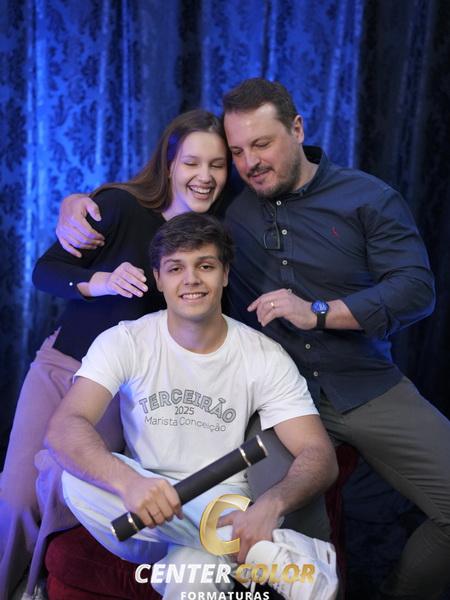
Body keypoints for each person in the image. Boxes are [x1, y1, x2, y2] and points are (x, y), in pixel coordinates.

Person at [57, 78, 450, 600]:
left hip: (362, 384)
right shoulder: (231, 211)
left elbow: (416, 290)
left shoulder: (368, 198)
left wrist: (320, 312)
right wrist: (79, 203)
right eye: (238, 152)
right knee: (281, 515)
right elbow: (173, 212)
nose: (250, 163)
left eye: (261, 145)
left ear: (297, 129)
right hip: (273, 400)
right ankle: (289, 563)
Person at [45, 212, 339, 600]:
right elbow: (65, 427)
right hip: (139, 511)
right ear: (158, 278)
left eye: (205, 266)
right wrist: (129, 482)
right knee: (74, 477)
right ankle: (271, 553)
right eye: (175, 268)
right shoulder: (125, 341)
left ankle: (225, 540)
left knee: (191, 579)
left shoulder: (263, 356)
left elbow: (318, 454)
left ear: (225, 274)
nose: (191, 280)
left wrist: (272, 502)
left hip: (223, 502)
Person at [0, 109, 230, 599]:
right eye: (192, 162)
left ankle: (33, 587)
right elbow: (45, 270)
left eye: (217, 165)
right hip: (61, 367)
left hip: (119, 393)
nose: (204, 176)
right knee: (16, 499)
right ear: (169, 163)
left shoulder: (215, 241)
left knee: (59, 483)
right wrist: (98, 281)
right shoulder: (120, 207)